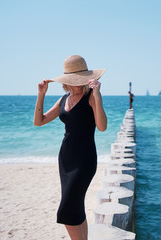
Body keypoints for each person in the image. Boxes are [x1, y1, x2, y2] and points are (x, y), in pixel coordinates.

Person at [33, 55, 107, 240]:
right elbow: (39, 121)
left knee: (67, 210)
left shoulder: (91, 97)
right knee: (76, 206)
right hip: (66, 158)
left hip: (84, 160)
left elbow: (102, 127)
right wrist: (41, 94)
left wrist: (97, 95)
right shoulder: (63, 99)